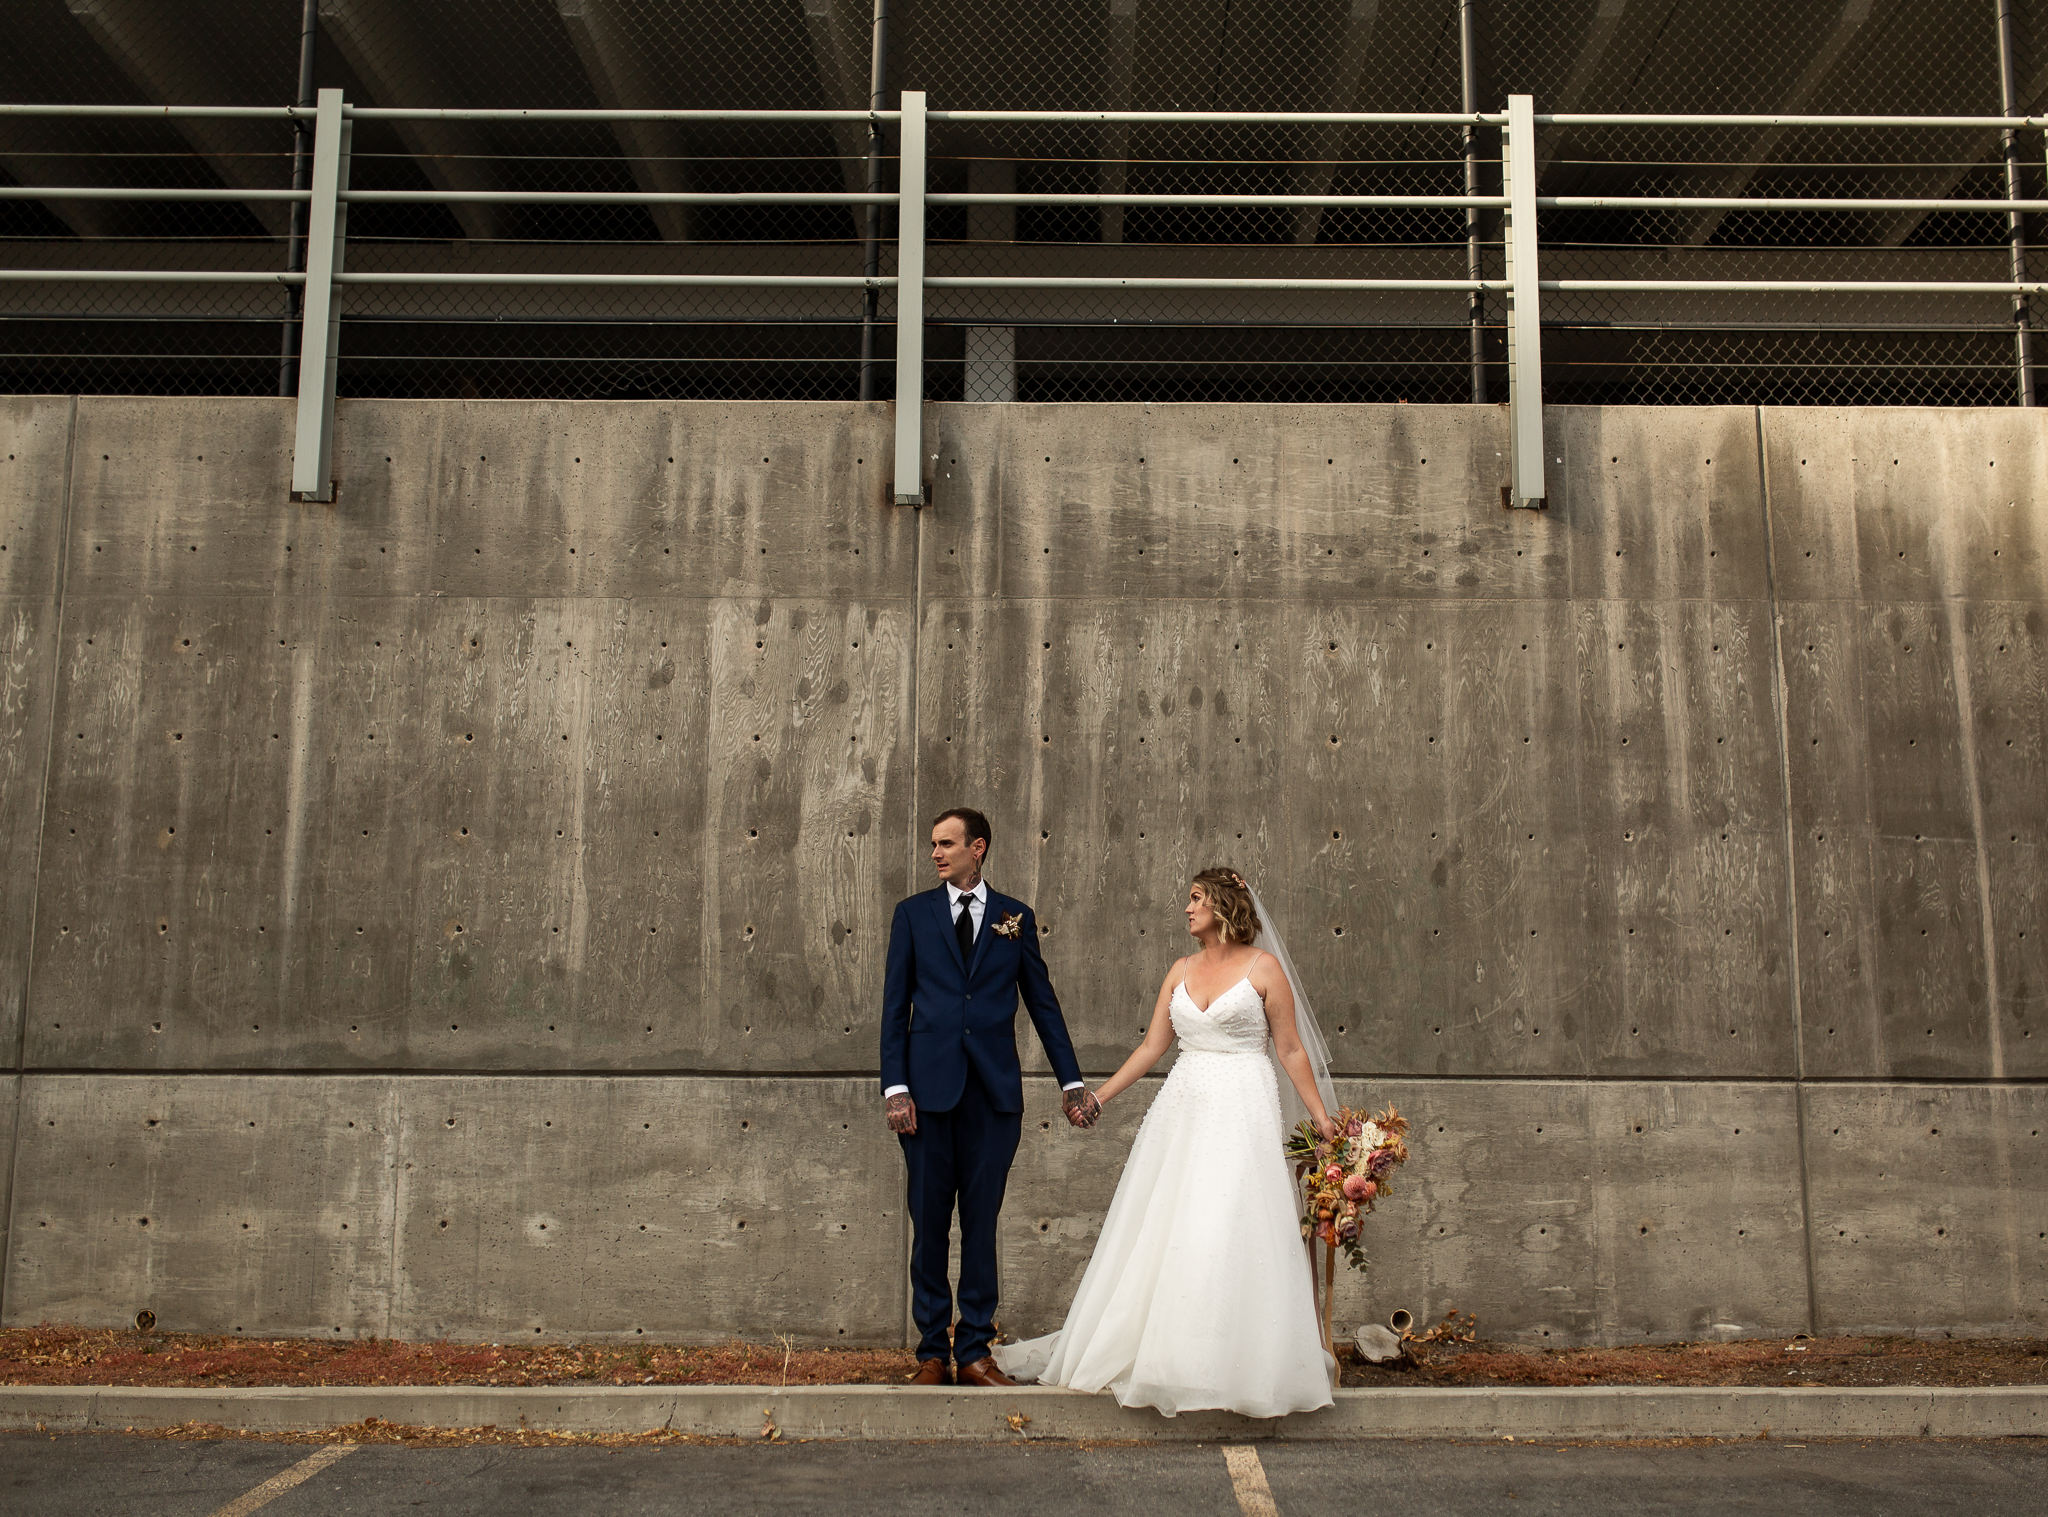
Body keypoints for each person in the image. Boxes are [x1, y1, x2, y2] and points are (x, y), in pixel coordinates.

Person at [992, 867, 1339, 1417]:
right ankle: (1170, 1359)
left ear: (1223, 905)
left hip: (1243, 1103)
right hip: (1184, 1107)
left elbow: (1291, 1049)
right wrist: (1098, 1098)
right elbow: (1153, 1046)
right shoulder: (1178, 969)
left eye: (1197, 898)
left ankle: (1235, 1364)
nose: (1187, 908)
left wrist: (1321, 1117)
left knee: (1229, 1223)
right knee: (1171, 1224)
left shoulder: (1263, 968)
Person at [879, 807, 1100, 1388]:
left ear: (978, 847)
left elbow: (1043, 1006)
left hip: (994, 1100)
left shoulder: (1014, 918)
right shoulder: (912, 916)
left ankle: (974, 1351)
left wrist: (1071, 1081)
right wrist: (895, 1087)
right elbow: (893, 1006)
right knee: (929, 1226)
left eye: (946, 843)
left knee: (982, 1225)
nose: (935, 853)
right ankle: (931, 1353)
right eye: (933, 845)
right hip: (926, 1099)